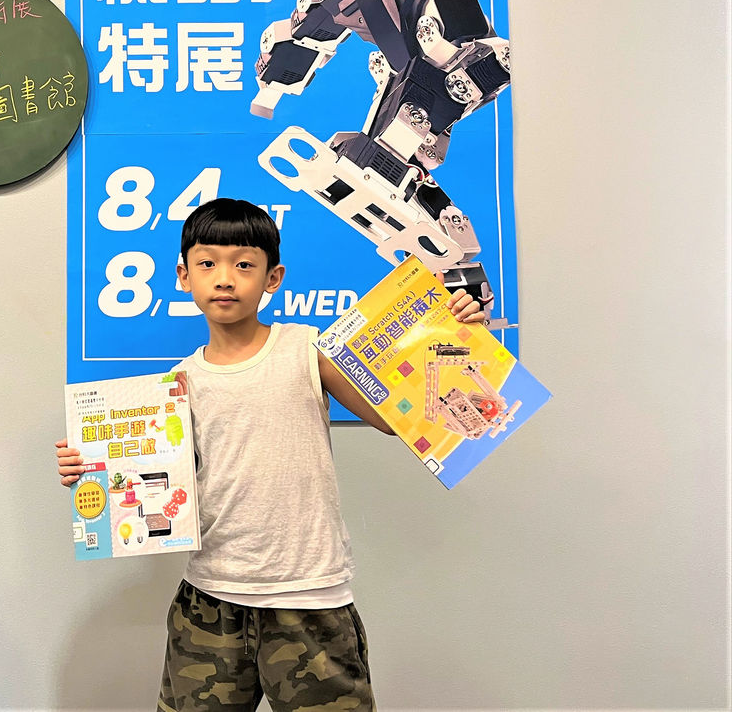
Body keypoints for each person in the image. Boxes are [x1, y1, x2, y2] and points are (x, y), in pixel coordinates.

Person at [56, 198, 485, 712]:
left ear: (272, 278)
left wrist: (457, 338)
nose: (224, 278)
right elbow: (154, 485)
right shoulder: (175, 385)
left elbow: (395, 419)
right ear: (183, 276)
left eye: (244, 264)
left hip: (310, 599)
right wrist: (92, 470)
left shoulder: (308, 348)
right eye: (207, 263)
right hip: (209, 599)